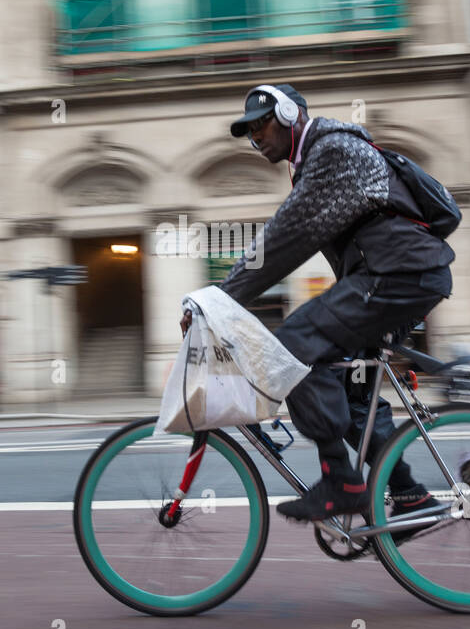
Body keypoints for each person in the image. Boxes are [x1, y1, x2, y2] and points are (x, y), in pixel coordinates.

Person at [179, 83, 455, 521]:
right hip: (403, 276)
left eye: (262, 124)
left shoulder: (332, 152)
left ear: (291, 114)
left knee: (290, 347)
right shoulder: (314, 160)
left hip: (398, 274)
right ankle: (408, 496)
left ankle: (341, 483)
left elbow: (286, 239)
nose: (256, 138)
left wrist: (215, 297)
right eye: (248, 132)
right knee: (351, 395)